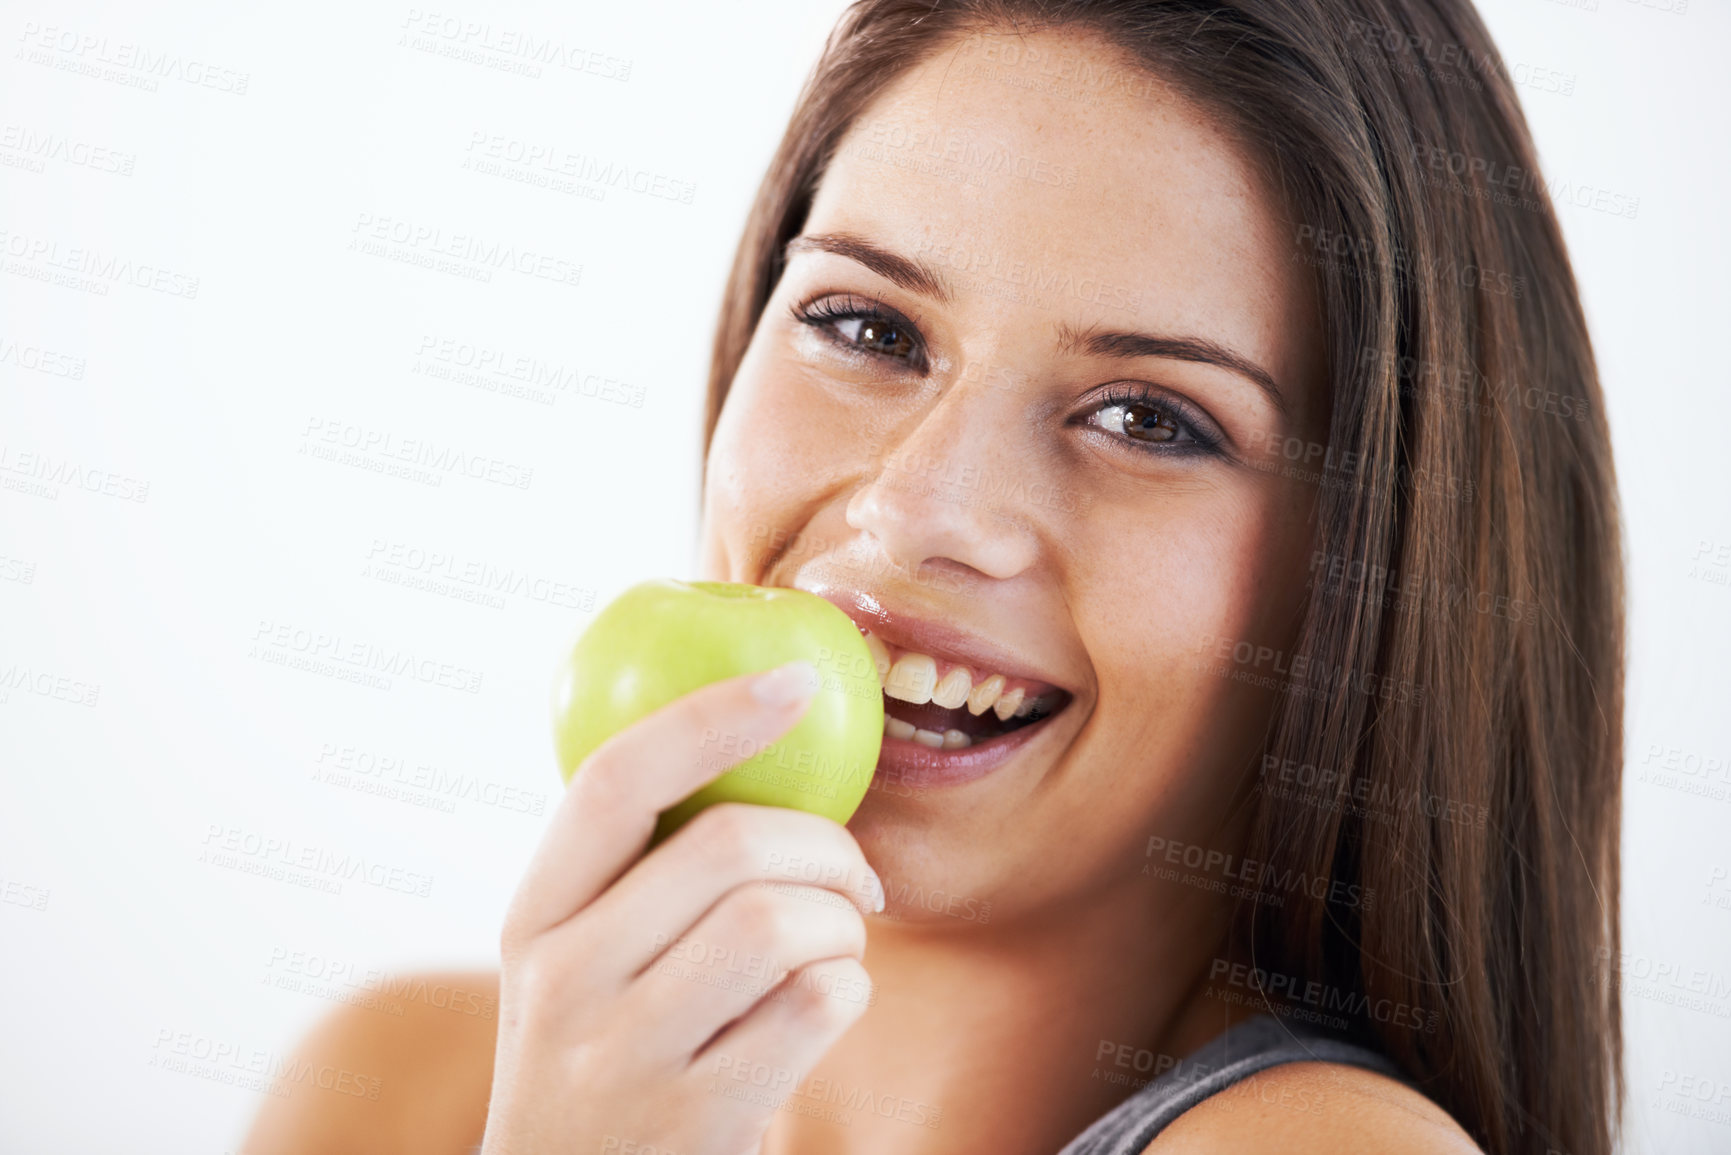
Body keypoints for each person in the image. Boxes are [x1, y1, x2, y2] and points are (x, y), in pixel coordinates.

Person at [244, 2, 1624, 1152]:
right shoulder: (395, 1090)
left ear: (1359, 568)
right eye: (866, 325)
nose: (920, 511)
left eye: (1150, 418)